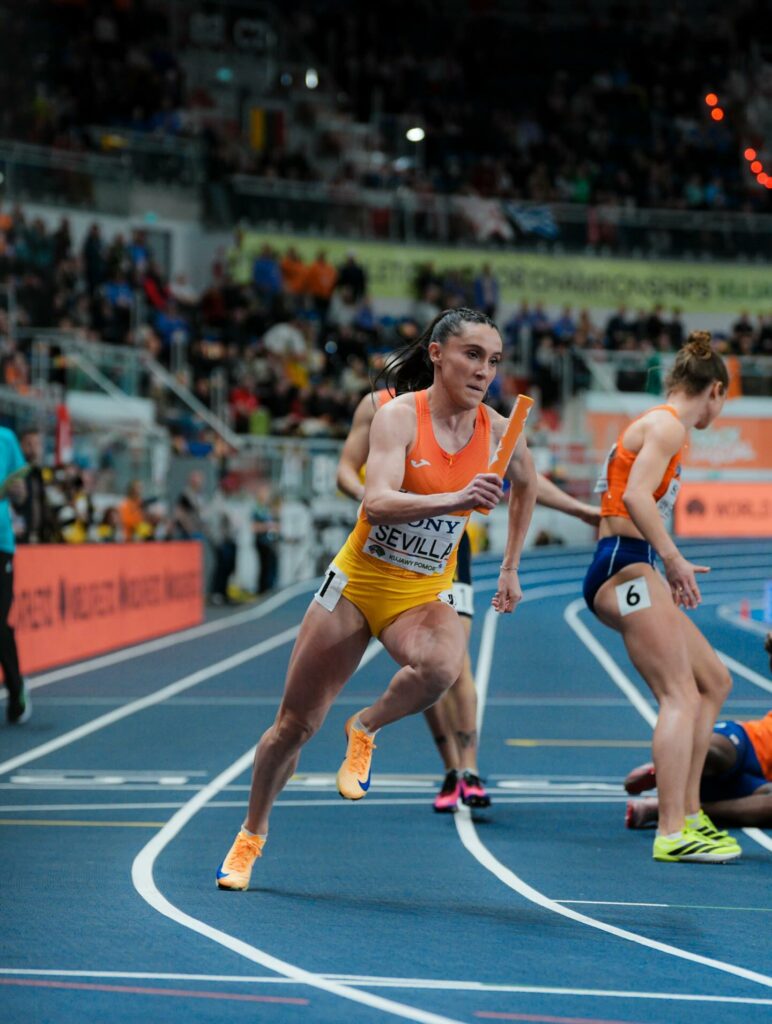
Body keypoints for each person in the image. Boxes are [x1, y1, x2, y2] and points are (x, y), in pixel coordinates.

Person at [216, 308, 537, 890]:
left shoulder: (499, 429)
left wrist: (510, 566)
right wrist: (456, 498)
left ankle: (364, 728)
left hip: (420, 591)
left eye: (494, 360)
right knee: (291, 727)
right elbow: (376, 503)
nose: (484, 370)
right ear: (437, 354)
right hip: (358, 585)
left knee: (444, 665)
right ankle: (250, 836)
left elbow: (530, 485)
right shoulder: (397, 416)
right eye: (472, 355)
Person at [336, 388, 599, 812]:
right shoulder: (378, 405)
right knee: (420, 667)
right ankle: (450, 768)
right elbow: (346, 471)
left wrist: (577, 510)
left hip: (447, 550)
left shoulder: (473, 414)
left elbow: (522, 476)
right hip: (385, 545)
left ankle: (470, 769)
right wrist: (376, 500)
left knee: (454, 663)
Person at [583, 331, 739, 864]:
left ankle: (691, 813)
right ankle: (672, 830)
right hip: (623, 568)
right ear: (714, 390)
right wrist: (671, 558)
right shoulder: (669, 426)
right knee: (680, 694)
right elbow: (631, 496)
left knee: (714, 681)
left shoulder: (660, 425)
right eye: (724, 401)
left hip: (630, 564)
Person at [625, 633, 772, 830]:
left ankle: (671, 810)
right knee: (718, 751)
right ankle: (671, 765)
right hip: (750, 741)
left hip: (755, 785)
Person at [0, 428, 31, 724]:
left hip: (1, 545)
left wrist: (13, 489)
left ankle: (16, 687)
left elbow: (20, 492)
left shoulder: (6, 438)